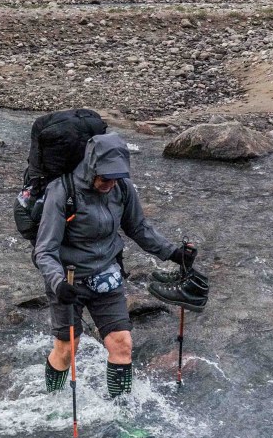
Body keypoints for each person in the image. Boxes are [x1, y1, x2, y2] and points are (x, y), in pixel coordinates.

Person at [33, 131, 196, 401]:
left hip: (106, 277)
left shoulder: (122, 187)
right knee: (67, 348)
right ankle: (53, 400)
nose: (109, 183)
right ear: (92, 167)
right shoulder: (62, 191)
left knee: (122, 344)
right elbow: (45, 250)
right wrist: (58, 283)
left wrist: (173, 253)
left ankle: (122, 412)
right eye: (105, 177)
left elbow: (138, 228)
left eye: (115, 177)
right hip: (68, 281)